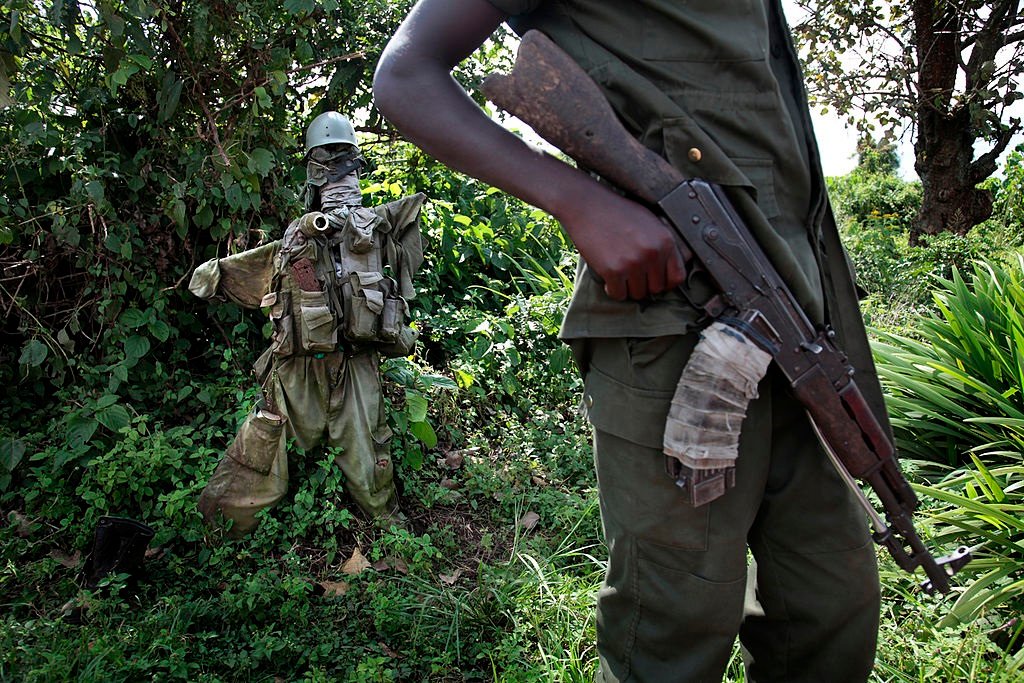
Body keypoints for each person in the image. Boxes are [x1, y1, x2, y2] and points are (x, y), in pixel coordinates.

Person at [374, 1, 886, 682]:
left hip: (798, 329)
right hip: (671, 328)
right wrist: (578, 201)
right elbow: (406, 75)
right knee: (674, 628)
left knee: (832, 605)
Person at [190, 112, 425, 537]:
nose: (337, 184)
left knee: (366, 455)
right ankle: (219, 530)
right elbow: (229, 274)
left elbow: (227, 275)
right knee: (270, 443)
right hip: (306, 366)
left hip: (347, 363)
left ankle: (221, 532)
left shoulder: (369, 230)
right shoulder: (303, 239)